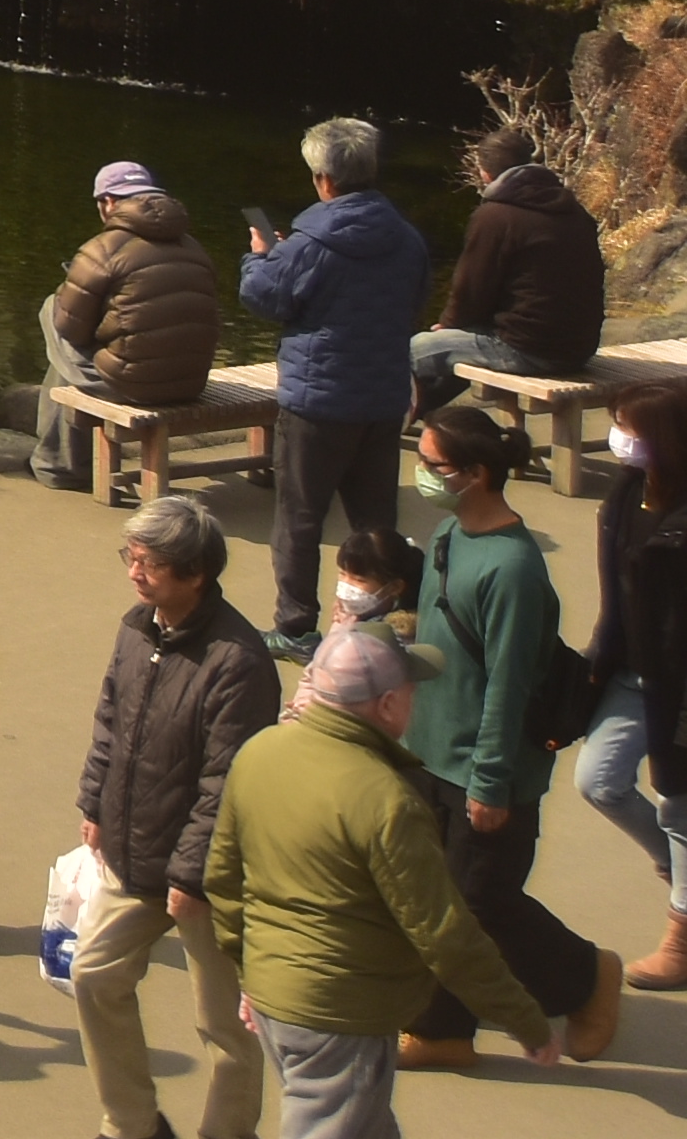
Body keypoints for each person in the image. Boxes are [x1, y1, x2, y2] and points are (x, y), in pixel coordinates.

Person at [215, 625, 571, 1123]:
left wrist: (250, 973)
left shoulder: (259, 754)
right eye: (410, 691)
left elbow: (223, 881)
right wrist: (525, 1021)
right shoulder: (387, 800)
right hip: (342, 1017)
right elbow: (444, 935)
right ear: (386, 705)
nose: (415, 701)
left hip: (275, 999)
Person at [405, 397, 626, 1068]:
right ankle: (443, 1031)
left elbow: (507, 685)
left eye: (432, 464)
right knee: (436, 902)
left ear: (474, 474)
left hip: (486, 770)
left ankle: (586, 977)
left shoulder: (514, 569)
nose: (420, 473)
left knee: (482, 906)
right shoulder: (447, 537)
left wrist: (492, 781)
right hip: (429, 755)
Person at [73, 493, 283, 1139]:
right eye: (131, 557)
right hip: (133, 848)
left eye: (150, 563)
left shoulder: (239, 662)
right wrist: (94, 801)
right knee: (93, 974)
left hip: (208, 877)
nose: (135, 573)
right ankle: (131, 1122)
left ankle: (228, 1131)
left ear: (195, 573)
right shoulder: (138, 629)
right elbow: (110, 719)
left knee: (223, 1024)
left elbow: (227, 782)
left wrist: (191, 876)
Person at [249, 118, 428, 653]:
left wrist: (260, 256)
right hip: (382, 395)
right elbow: (416, 300)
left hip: (318, 399)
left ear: (324, 179)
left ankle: (296, 626)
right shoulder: (407, 239)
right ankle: (384, 618)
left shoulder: (310, 243)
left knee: (299, 519)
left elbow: (264, 297)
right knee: (375, 520)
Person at [577, 382, 687, 995]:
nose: (619, 439)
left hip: (680, 685)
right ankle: (679, 869)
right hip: (632, 672)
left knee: (679, 803)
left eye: (630, 428)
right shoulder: (624, 494)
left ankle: (682, 935)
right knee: (599, 780)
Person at [49, 158, 228, 495]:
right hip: (191, 382)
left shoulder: (102, 249)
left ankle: (63, 465)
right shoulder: (194, 247)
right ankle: (56, 462)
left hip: (138, 386)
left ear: (108, 203)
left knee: (52, 310)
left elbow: (70, 330)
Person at [417, 129, 609, 395]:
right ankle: (425, 412)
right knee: (457, 344)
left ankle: (398, 417)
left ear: (485, 172)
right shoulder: (574, 211)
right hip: (580, 348)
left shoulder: (495, 216)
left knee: (412, 352)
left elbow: (472, 289)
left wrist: (448, 325)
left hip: (528, 349)